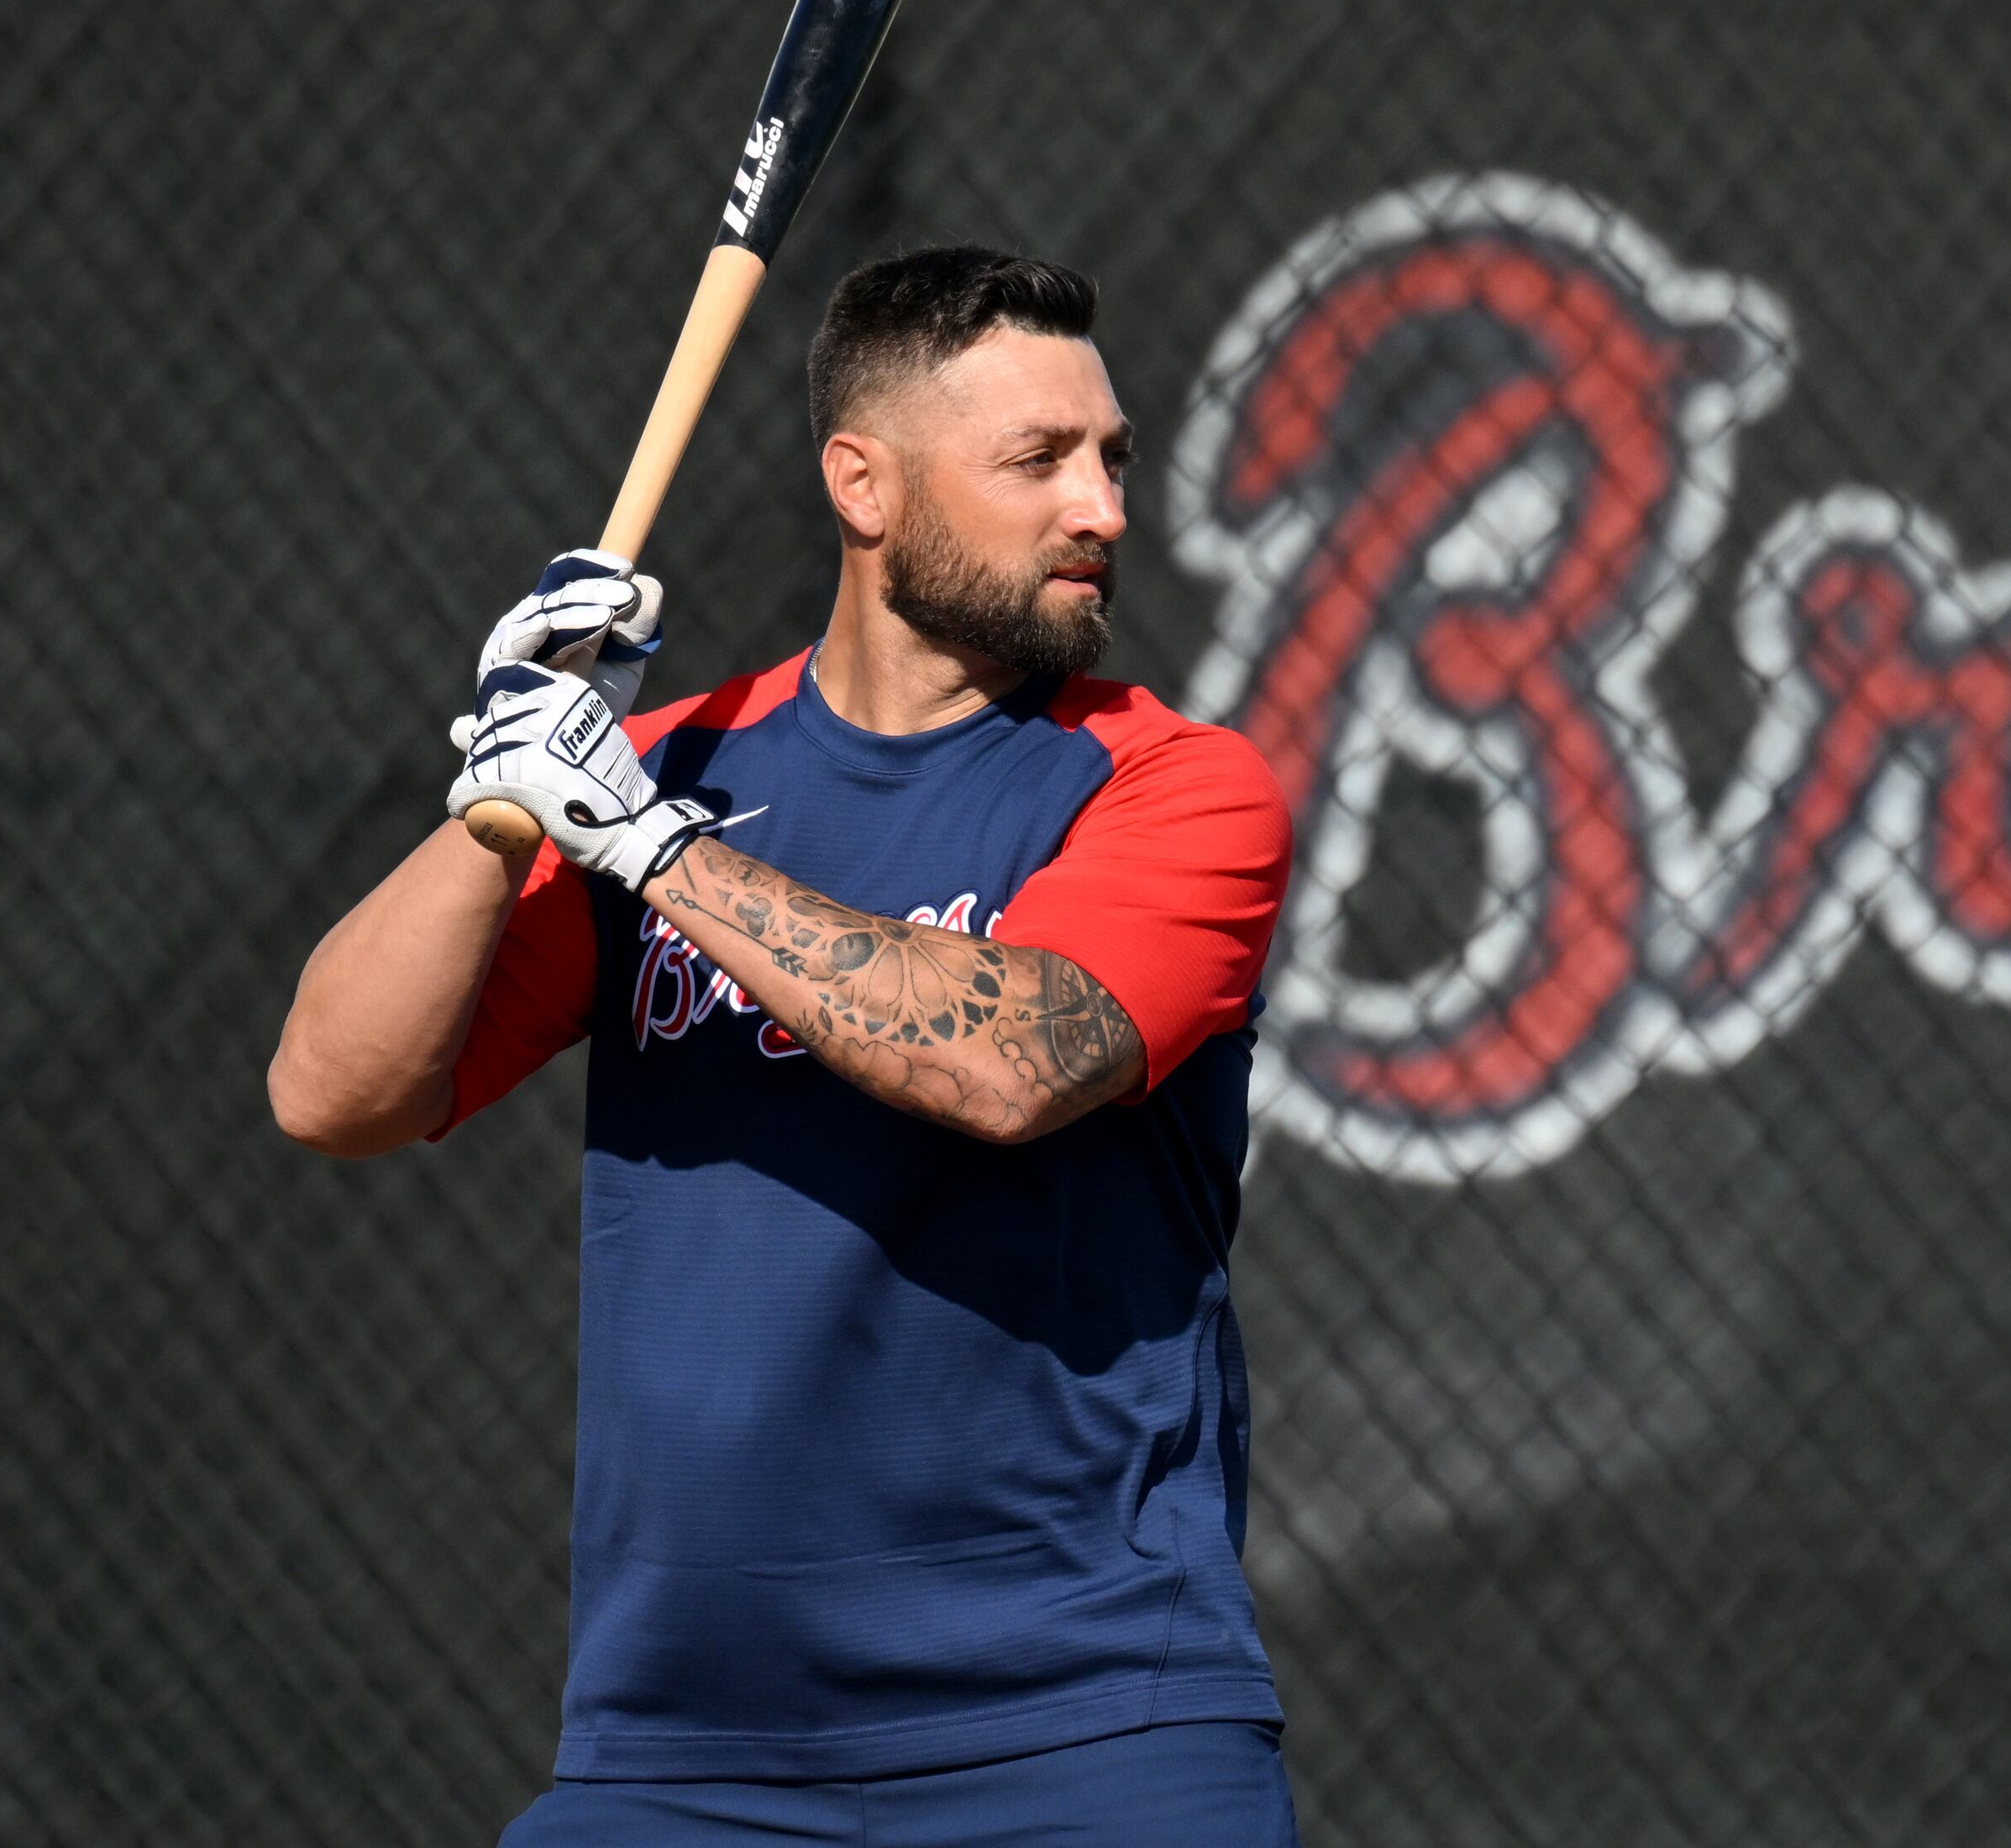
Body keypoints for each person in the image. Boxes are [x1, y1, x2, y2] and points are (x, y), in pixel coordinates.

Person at [266, 246, 1300, 1847]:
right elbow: (333, 1088)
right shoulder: (674, 767)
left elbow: (1011, 1061)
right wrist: (502, 797)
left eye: (1111, 457)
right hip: (676, 1753)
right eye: (1038, 460)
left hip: (1080, 1733)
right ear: (863, 485)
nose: (1101, 505)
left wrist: (639, 839)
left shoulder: (1174, 784)